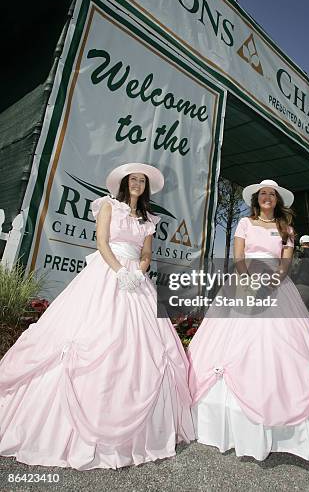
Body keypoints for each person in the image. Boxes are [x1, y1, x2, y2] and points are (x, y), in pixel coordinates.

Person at [0, 163, 194, 470]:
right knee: (92, 335)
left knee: (146, 347)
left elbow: (146, 254)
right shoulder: (107, 206)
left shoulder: (148, 220)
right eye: (133, 179)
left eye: (141, 181)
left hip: (136, 280)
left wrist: (138, 273)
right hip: (106, 273)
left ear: (145, 188)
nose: (136, 184)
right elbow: (102, 242)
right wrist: (118, 271)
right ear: (124, 183)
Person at [188, 179, 309, 463]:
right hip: (244, 281)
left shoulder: (286, 229)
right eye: (263, 193)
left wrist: (273, 281)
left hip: (277, 286)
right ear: (256, 199)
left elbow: (286, 262)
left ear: (277, 201)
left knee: (284, 343)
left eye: (271, 195)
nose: (267, 197)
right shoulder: (244, 223)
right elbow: (239, 256)